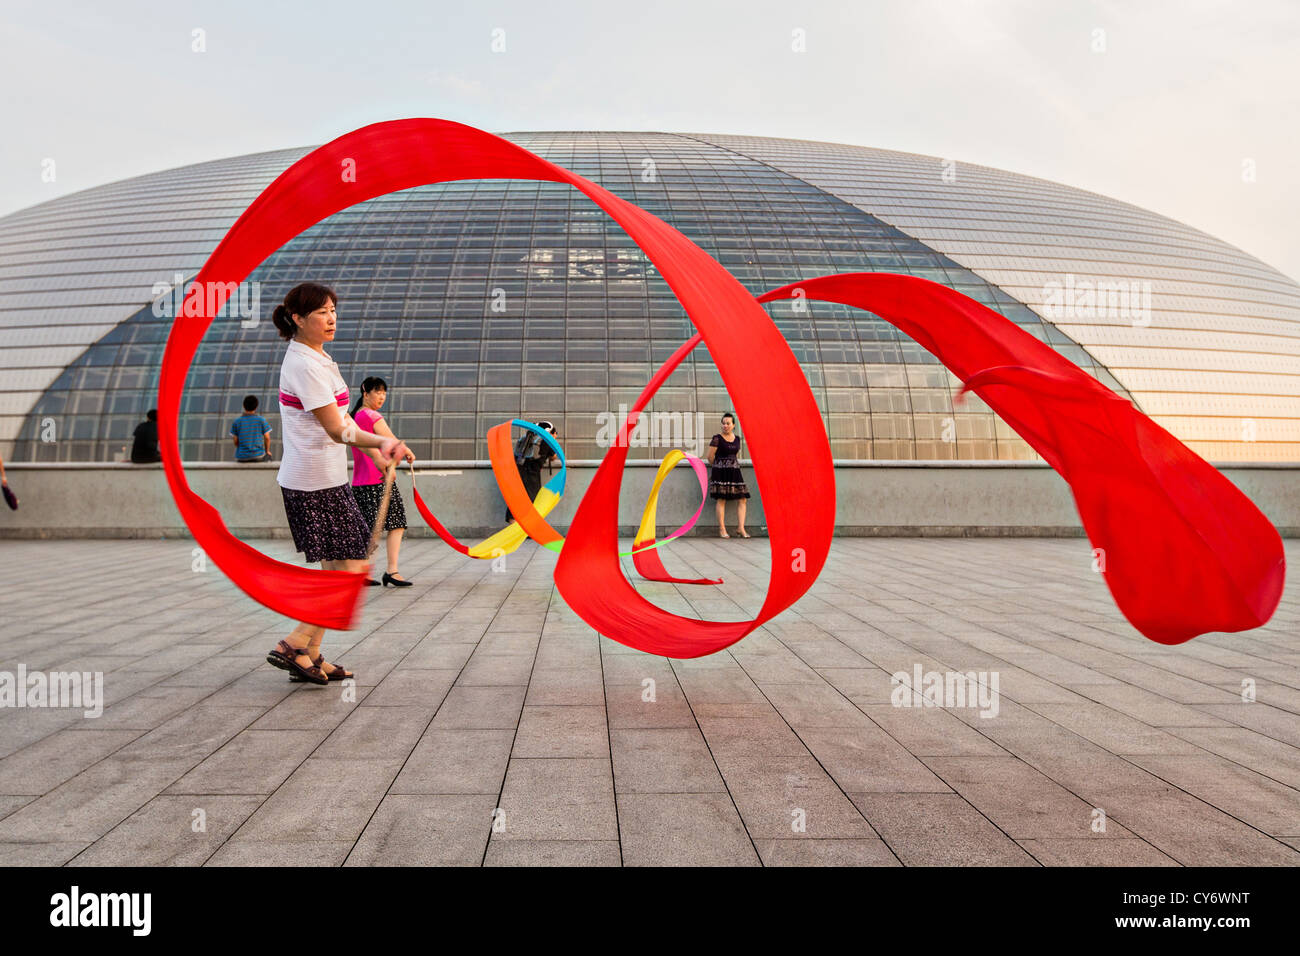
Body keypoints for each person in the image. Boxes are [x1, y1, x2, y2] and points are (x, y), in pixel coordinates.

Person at [264, 282, 414, 686]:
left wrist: (376, 452)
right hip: (314, 484)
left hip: (324, 480)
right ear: (298, 319)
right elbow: (335, 430)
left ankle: (311, 655)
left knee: (336, 568)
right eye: (321, 313)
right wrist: (382, 439)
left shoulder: (318, 358)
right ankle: (294, 643)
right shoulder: (304, 365)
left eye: (333, 310)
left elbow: (344, 423)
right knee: (351, 568)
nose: (331, 318)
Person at [349, 376, 412, 588]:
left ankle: (362, 572)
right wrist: (408, 451)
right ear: (365, 392)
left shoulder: (355, 416)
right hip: (378, 479)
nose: (382, 397)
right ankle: (392, 570)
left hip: (359, 483)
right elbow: (392, 440)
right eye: (378, 392)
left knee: (368, 528)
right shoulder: (371, 415)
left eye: (384, 393)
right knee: (396, 524)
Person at [504, 420, 558, 523]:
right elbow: (553, 457)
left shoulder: (528, 438)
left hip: (518, 469)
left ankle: (513, 527)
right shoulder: (547, 440)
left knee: (517, 498)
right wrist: (553, 440)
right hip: (532, 473)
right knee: (533, 499)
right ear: (552, 432)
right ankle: (525, 530)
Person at [707, 411, 750, 538]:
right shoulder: (717, 438)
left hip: (735, 471)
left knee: (742, 499)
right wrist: (718, 467)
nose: (725, 425)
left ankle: (740, 528)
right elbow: (710, 457)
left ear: (733, 425)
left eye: (728, 423)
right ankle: (722, 529)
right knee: (722, 499)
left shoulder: (737, 439)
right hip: (720, 472)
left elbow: (735, 455)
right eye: (723, 423)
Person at [231, 395, 272, 462]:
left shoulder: (237, 421)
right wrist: (267, 451)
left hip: (241, 457)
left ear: (244, 406)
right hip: (258, 455)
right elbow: (267, 438)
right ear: (256, 406)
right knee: (268, 458)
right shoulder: (261, 420)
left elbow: (235, 441)